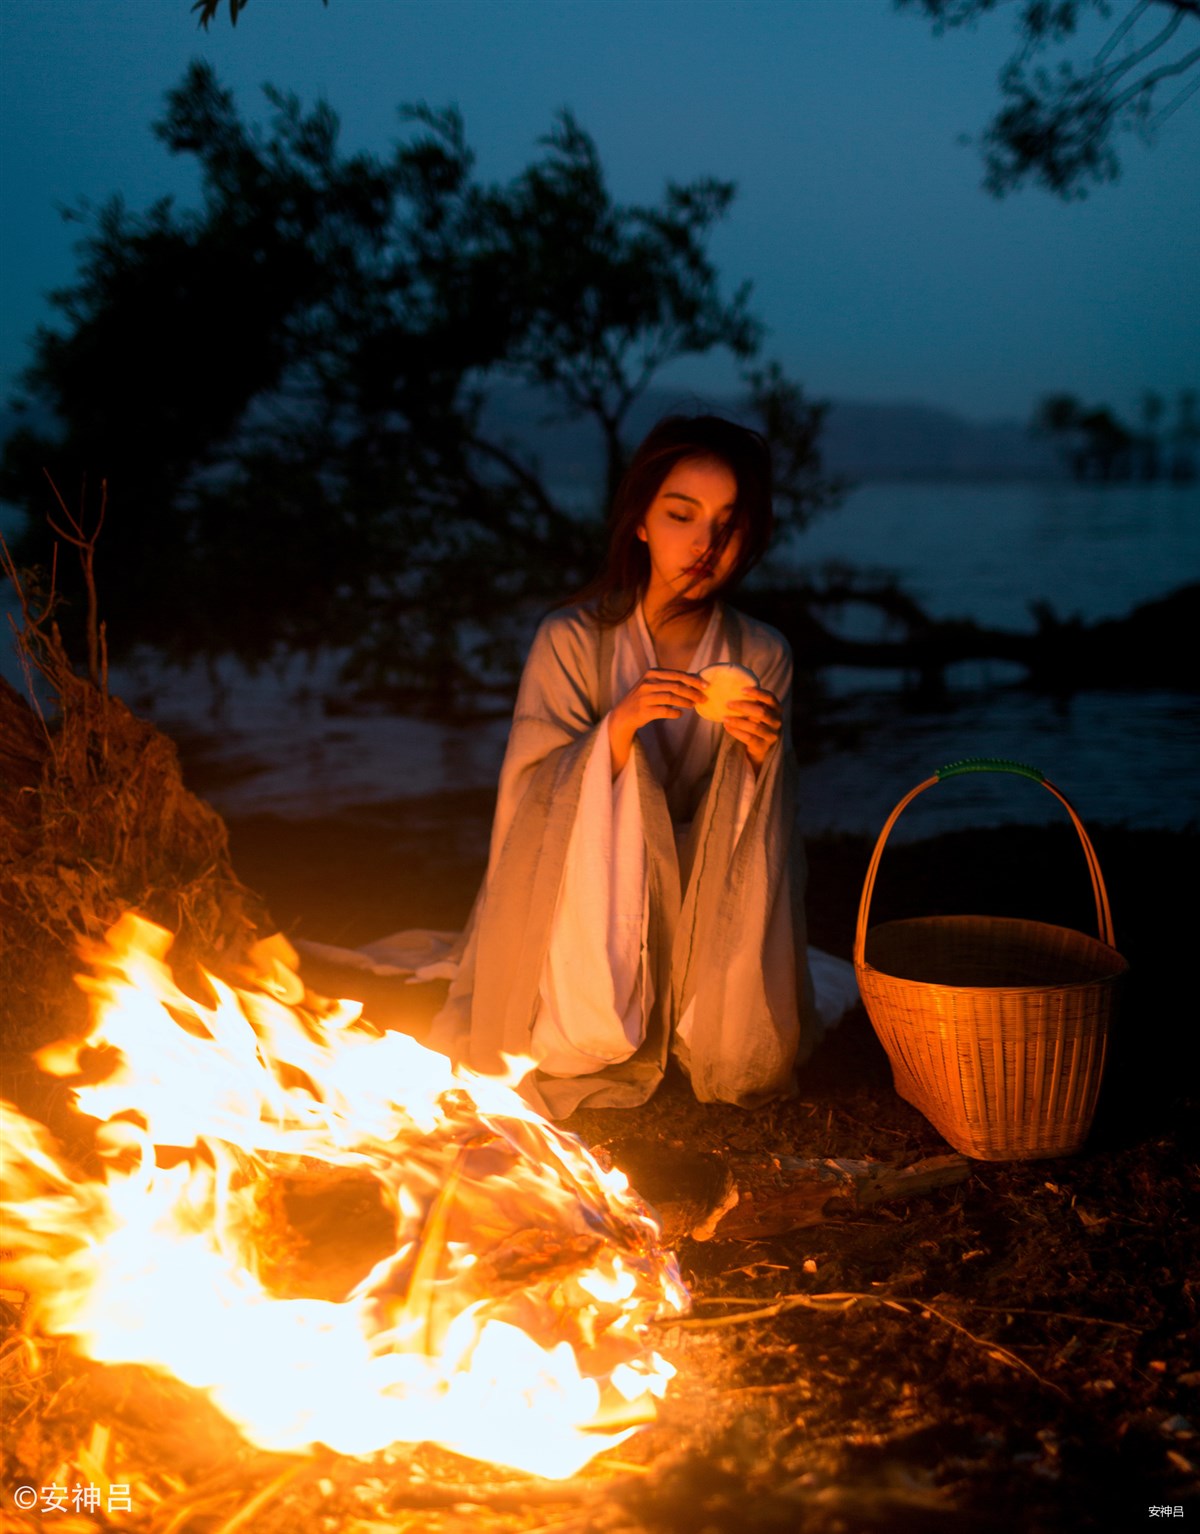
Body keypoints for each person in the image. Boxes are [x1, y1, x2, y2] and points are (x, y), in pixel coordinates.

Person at [424, 413, 833, 1119]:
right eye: (681, 515)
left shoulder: (763, 655)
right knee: (571, 1025)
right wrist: (617, 729)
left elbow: (769, 824)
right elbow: (527, 800)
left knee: (739, 1049)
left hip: (701, 891)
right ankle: (597, 1017)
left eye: (728, 525)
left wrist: (760, 761)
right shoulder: (571, 642)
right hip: (593, 887)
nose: (705, 544)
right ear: (641, 522)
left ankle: (696, 1015)